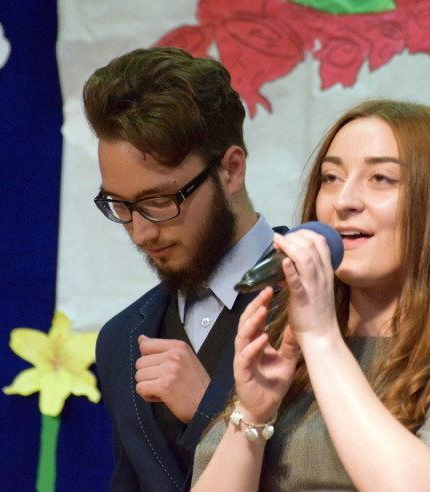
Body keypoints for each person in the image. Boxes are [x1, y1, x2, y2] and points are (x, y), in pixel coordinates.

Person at [191, 100, 430, 491]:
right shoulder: (286, 340)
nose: (344, 201)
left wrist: (322, 338)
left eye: (381, 178)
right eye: (331, 177)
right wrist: (253, 413)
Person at [83, 47, 286, 490]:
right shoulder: (120, 340)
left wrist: (210, 411)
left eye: (158, 201)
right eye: (119, 205)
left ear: (231, 169)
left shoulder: (325, 299)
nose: (140, 233)